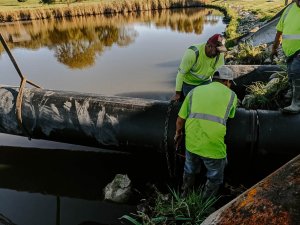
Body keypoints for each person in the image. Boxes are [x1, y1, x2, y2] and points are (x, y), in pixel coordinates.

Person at [174, 66, 238, 198]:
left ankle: (185, 195)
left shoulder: (194, 91)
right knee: (215, 177)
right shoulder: (232, 96)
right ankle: (204, 203)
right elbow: (230, 117)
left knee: (190, 169)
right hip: (214, 148)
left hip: (192, 143)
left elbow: (180, 120)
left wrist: (178, 134)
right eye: (230, 82)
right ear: (227, 82)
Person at [172, 34, 227, 101]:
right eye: (217, 51)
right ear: (209, 46)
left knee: (207, 101)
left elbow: (219, 74)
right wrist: (178, 93)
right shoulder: (193, 53)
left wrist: (221, 90)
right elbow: (181, 74)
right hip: (190, 84)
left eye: (220, 51)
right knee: (192, 103)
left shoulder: (219, 55)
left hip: (206, 82)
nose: (219, 53)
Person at [271, 0, 300, 113]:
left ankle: (296, 104)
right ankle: (292, 97)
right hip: (289, 53)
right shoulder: (289, 9)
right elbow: (279, 31)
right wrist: (274, 48)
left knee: (296, 72)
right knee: (291, 75)